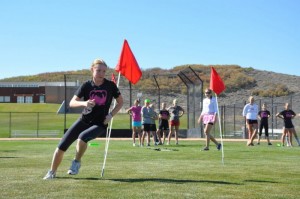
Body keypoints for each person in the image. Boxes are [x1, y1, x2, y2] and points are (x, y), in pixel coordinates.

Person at [43, 58, 123, 180]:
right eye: (98, 70)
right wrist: (84, 103)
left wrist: (111, 115)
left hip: (100, 123)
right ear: (92, 70)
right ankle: (51, 172)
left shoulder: (110, 86)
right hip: (83, 120)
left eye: (103, 71)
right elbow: (72, 102)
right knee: (61, 146)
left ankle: (76, 162)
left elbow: (120, 102)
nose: (101, 73)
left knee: (82, 138)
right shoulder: (86, 85)